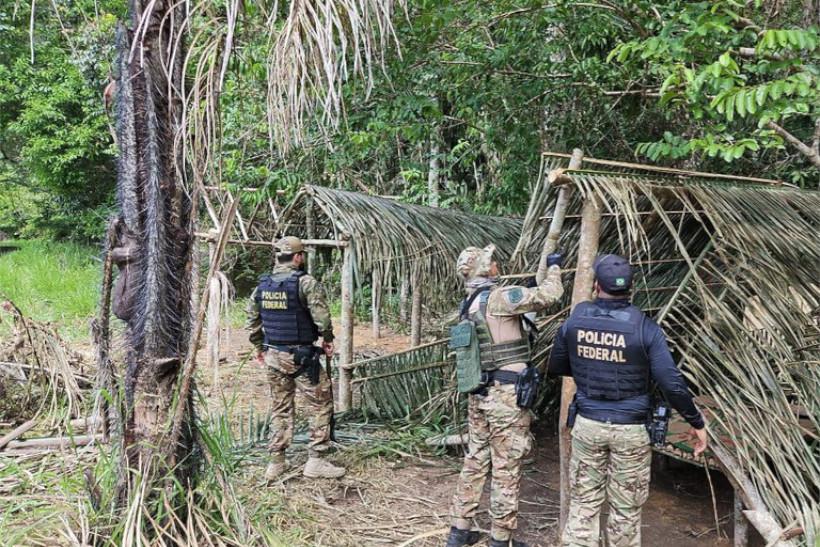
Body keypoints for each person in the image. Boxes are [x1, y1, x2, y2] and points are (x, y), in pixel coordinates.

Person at [548, 254, 708, 547]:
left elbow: (557, 366)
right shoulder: (645, 327)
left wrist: (592, 368)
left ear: (596, 285)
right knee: (625, 511)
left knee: (584, 505)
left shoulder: (576, 320)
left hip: (588, 424)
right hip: (631, 431)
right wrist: (696, 422)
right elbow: (671, 382)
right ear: (630, 288)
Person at [446, 245, 564, 547]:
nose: (497, 264)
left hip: (480, 394)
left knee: (475, 460)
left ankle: (459, 532)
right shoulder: (499, 297)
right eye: (493, 262)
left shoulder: (469, 304)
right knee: (506, 466)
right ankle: (501, 539)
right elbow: (550, 295)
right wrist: (554, 268)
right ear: (486, 269)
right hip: (505, 397)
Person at [246, 236, 345, 480]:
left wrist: (259, 347)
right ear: (298, 257)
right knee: (321, 403)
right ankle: (316, 460)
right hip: (301, 357)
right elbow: (322, 318)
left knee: (280, 408)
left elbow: (252, 322)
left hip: (273, 356)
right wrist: (327, 339)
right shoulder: (306, 282)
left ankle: (276, 462)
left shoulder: (262, 286)